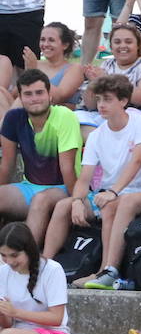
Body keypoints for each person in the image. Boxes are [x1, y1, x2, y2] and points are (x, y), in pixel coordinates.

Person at [41, 75, 141, 288]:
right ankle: (44, 269)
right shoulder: (96, 135)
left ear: (123, 101)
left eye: (108, 99)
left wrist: (113, 191)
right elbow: (84, 178)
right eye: (99, 99)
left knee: (111, 204)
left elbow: (138, 160)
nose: (101, 105)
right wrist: (77, 200)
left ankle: (106, 270)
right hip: (109, 192)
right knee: (63, 206)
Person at [0, 69, 81, 245]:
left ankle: (26, 258)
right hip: (29, 187)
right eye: (28, 94)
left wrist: (77, 201)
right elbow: (7, 164)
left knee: (41, 200)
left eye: (39, 92)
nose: (34, 98)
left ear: (50, 95)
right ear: (20, 98)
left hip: (64, 188)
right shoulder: (13, 118)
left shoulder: (64, 116)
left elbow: (67, 168)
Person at [82, 23, 141, 116]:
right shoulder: (107, 65)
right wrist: (93, 83)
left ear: (138, 45)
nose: (123, 46)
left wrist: (105, 79)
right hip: (107, 115)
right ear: (111, 47)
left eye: (128, 42)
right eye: (117, 42)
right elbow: (90, 106)